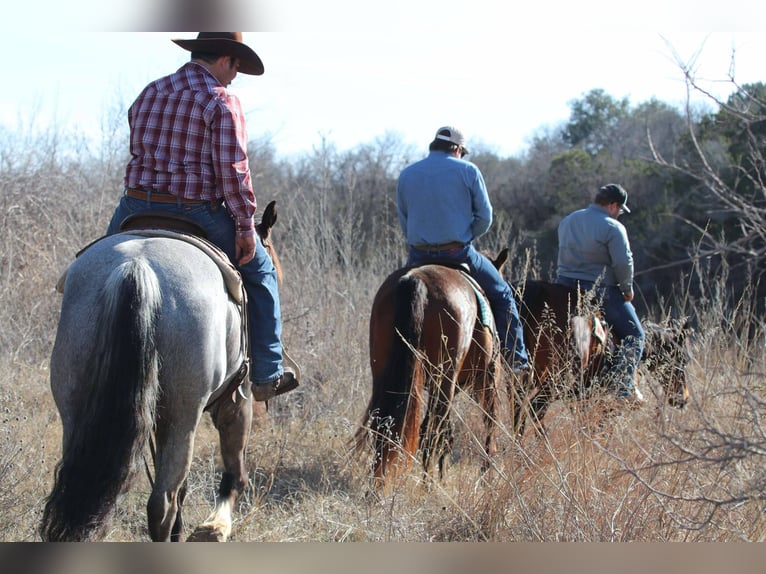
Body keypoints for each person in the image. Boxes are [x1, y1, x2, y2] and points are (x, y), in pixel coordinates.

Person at [106, 32, 298, 402]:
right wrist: (245, 226)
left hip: (136, 205)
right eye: (236, 66)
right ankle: (266, 371)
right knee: (260, 273)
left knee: (90, 270)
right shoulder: (221, 100)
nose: (235, 76)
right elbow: (234, 171)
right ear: (225, 58)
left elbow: (137, 148)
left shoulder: (150, 92)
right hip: (195, 210)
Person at [396, 126, 530, 372]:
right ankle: (517, 359)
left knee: (395, 298)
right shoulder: (468, 170)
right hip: (457, 253)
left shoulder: (407, 174)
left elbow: (404, 219)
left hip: (418, 255)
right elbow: (485, 217)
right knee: (503, 296)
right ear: (457, 149)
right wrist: (466, 236)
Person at [555, 183, 646, 405]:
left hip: (563, 287)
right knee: (635, 336)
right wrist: (627, 289)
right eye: (620, 210)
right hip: (600, 291)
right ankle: (622, 386)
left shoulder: (568, 220)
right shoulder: (612, 227)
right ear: (613, 205)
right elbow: (623, 263)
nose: (619, 215)